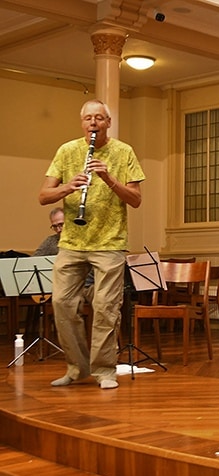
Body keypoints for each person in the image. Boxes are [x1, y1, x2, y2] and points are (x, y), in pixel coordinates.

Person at [38, 99, 145, 390]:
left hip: (109, 242)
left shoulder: (124, 152)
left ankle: (104, 370)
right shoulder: (67, 150)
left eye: (99, 118)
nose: (93, 123)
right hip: (72, 242)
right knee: (61, 303)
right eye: (88, 118)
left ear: (108, 122)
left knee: (105, 306)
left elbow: (136, 200)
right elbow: (43, 196)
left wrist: (108, 178)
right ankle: (77, 368)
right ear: (82, 123)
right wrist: (67, 187)